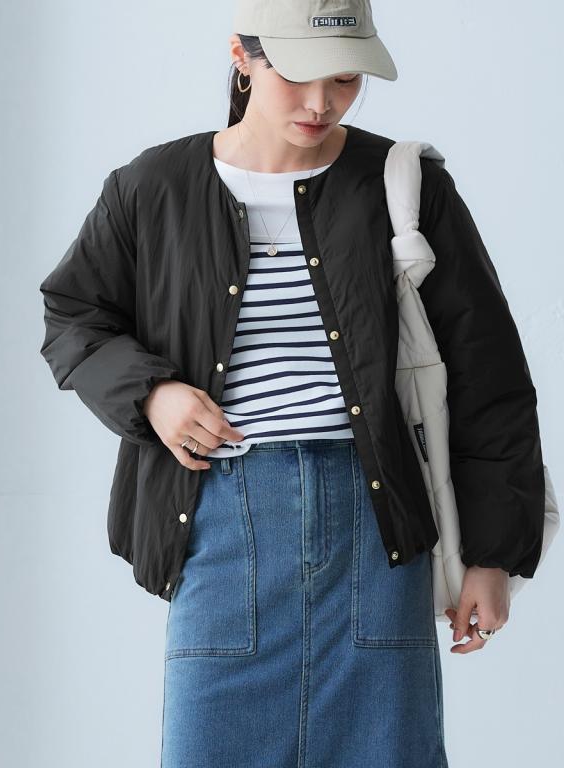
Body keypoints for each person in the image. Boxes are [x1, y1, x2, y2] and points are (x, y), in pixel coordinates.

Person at [39, 2, 546, 766]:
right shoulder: (153, 187)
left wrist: (492, 555)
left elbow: (489, 374)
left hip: (376, 528)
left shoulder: (404, 185)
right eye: (299, 76)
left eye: (345, 79)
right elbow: (72, 314)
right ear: (241, 56)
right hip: (219, 523)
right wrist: (152, 393)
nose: (321, 102)